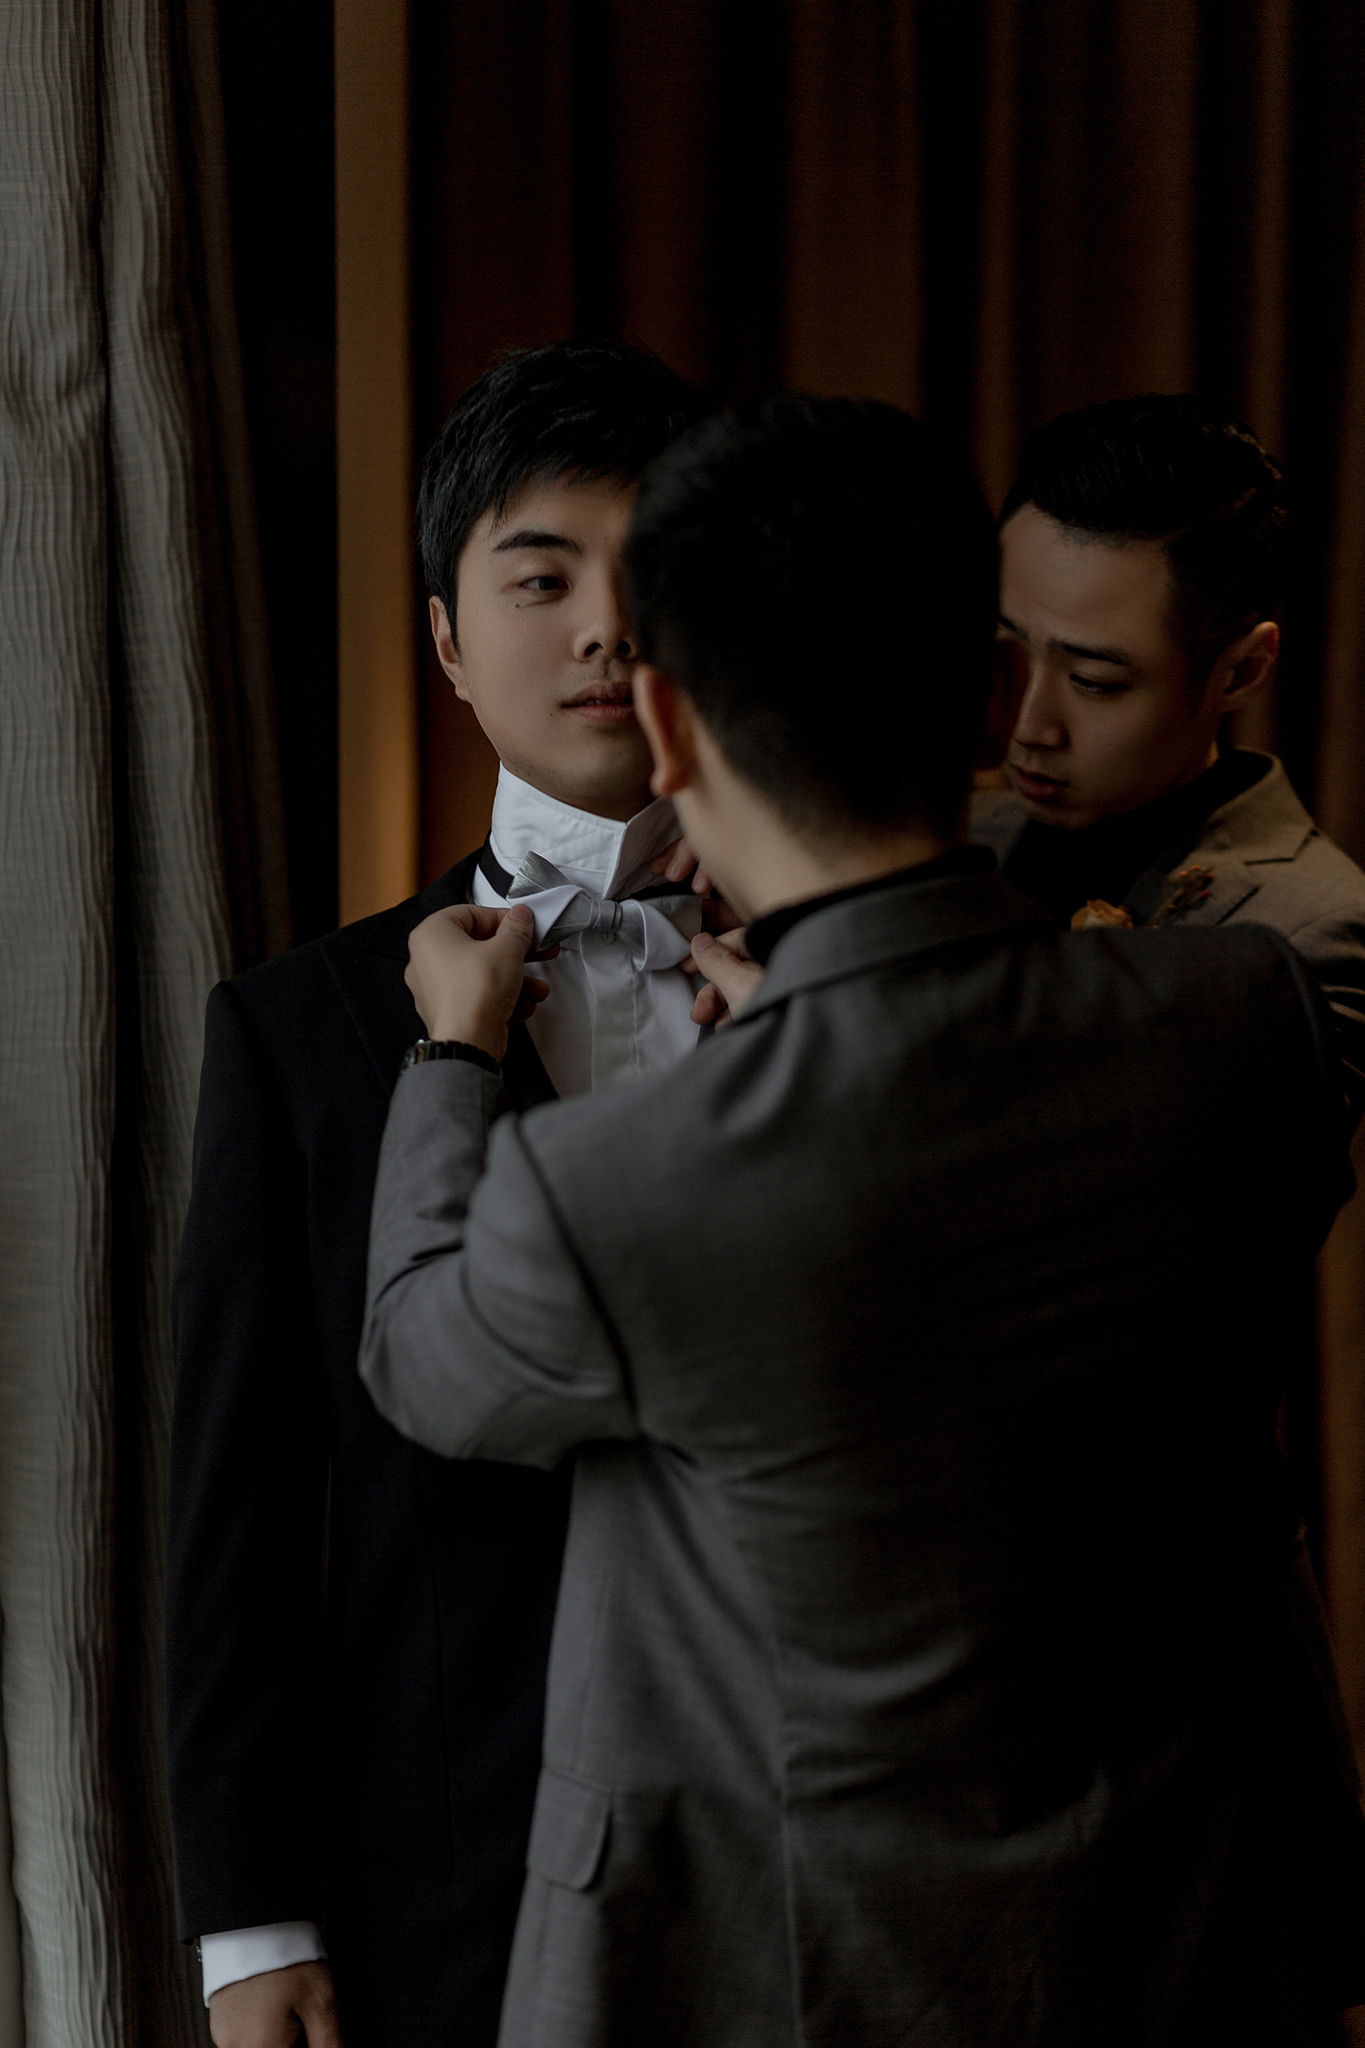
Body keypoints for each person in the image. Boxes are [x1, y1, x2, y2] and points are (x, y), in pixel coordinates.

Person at [358, 394, 1365, 2046]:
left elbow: (422, 1356)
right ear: (992, 697)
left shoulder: (613, 1185)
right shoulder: (1243, 1016)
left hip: (807, 1966)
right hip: (1184, 1946)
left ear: (667, 723)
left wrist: (454, 1053)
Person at [167, 340, 709, 2047]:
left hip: (817, 1851)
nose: (606, 629)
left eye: (655, 570)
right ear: (449, 642)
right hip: (453, 1867)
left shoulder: (856, 986)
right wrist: (251, 1921)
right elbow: (241, 1502)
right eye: (541, 579)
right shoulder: (295, 1029)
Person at [972, 394, 1365, 1120]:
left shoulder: (1314, 928)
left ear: (1241, 672)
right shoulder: (946, 836)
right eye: (1004, 650)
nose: (1026, 725)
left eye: (1093, 682)